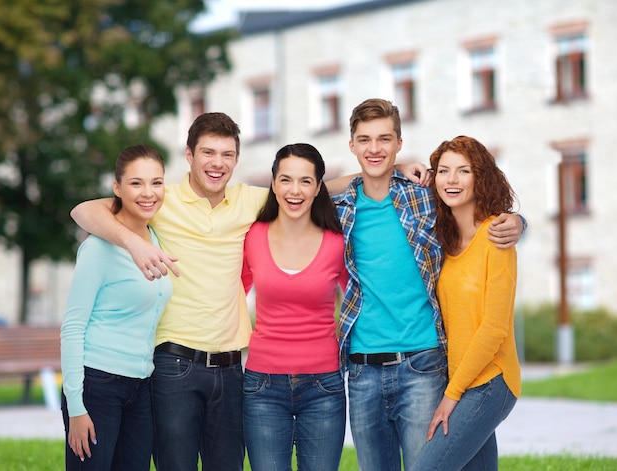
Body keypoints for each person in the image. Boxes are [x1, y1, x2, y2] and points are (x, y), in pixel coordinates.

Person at [70, 111, 430, 470]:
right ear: (189, 156)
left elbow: (317, 185)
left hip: (231, 368)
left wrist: (393, 170)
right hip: (173, 362)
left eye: (227, 155)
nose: (217, 163)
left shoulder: (251, 203)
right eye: (208, 153)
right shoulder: (162, 200)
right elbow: (84, 211)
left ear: (237, 160)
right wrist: (135, 244)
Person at [331, 98, 525, 471]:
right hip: (361, 369)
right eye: (365, 140)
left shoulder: (423, 197)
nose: (375, 149)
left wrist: (518, 221)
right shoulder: (341, 207)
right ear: (352, 145)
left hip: (422, 365)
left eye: (385, 140)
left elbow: (477, 207)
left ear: (399, 142)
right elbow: (305, 190)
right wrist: (378, 172)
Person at [60, 144, 172, 470]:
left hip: (141, 386)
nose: (148, 192)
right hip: (98, 386)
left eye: (156, 182)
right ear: (117, 188)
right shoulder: (97, 248)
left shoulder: (157, 238)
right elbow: (72, 327)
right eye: (136, 183)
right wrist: (77, 407)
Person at [415, 135, 521, 470]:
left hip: (490, 381)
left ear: (481, 177)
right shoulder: (443, 241)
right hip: (462, 379)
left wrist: (452, 394)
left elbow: (493, 329)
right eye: (444, 171)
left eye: (463, 171)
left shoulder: (496, 236)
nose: (452, 180)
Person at [241, 143, 348, 470]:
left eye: (305, 181)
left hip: (324, 386)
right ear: (273, 185)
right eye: (286, 180)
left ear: (319, 188)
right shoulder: (252, 235)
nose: (294, 190)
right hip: (261, 386)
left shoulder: (337, 241)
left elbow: (362, 303)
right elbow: (229, 294)